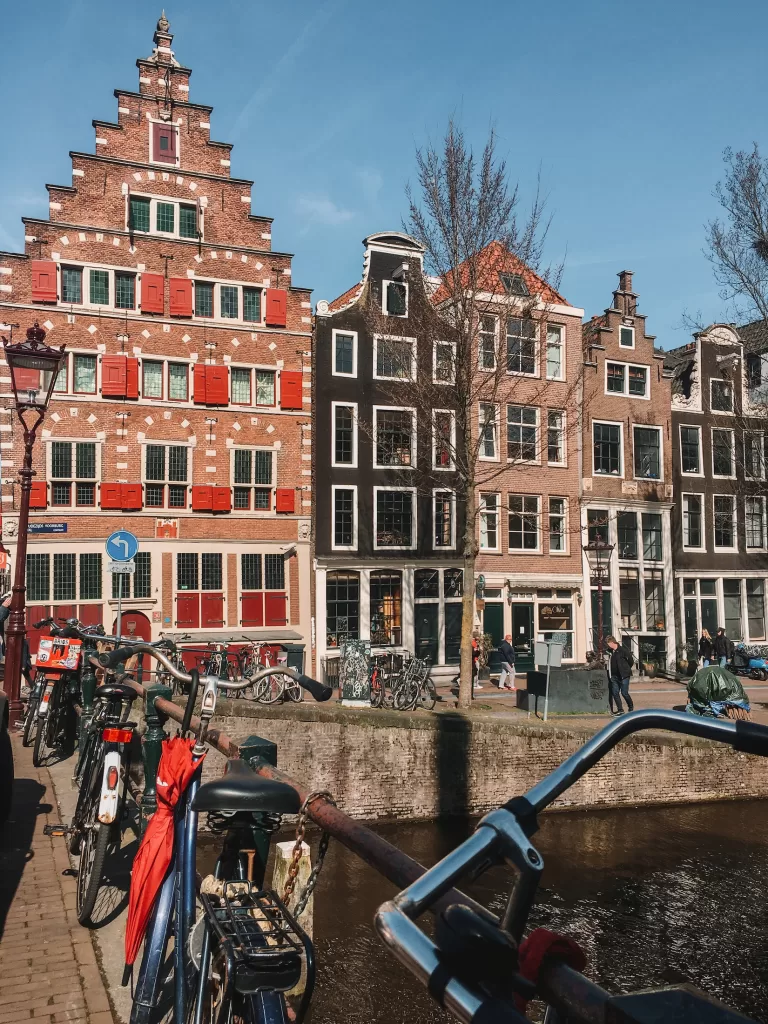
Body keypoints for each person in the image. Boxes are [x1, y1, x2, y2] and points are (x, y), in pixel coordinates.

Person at [605, 635, 634, 715]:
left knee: (624, 693)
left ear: (611, 642)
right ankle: (620, 710)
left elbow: (631, 661)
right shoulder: (610, 652)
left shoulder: (623, 651)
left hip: (623, 675)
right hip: (614, 676)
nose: (607, 645)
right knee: (615, 693)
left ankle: (630, 707)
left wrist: (625, 670)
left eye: (608, 643)